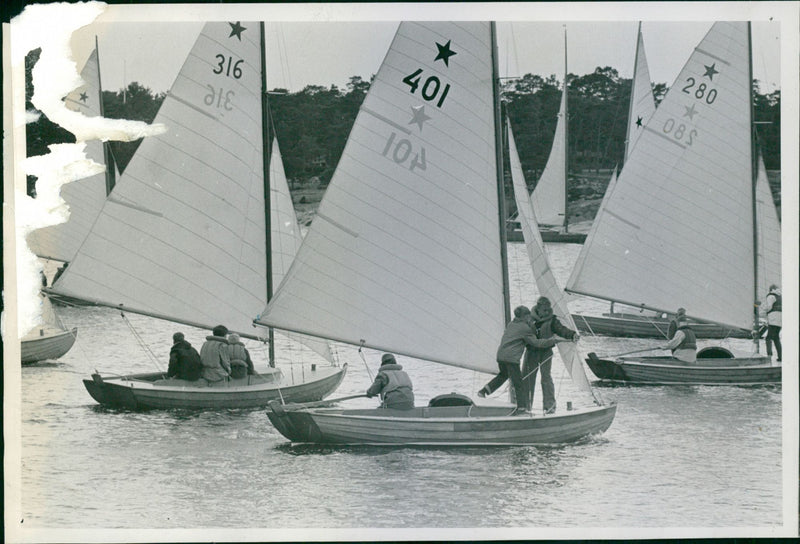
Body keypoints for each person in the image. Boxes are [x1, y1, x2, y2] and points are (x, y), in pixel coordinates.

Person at [479, 305, 556, 414]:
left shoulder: (511, 324)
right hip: (511, 359)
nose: (530, 318)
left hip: (500, 356)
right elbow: (536, 343)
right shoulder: (525, 328)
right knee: (519, 384)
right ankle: (522, 408)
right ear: (524, 316)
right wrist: (553, 341)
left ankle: (484, 391)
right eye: (528, 316)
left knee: (503, 375)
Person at [522, 296, 578, 414]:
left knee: (546, 378)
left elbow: (561, 329)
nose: (547, 312)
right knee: (527, 379)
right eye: (544, 310)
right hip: (531, 352)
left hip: (546, 352)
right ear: (538, 308)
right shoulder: (528, 319)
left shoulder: (552, 320)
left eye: (548, 309)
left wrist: (572, 334)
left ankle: (550, 406)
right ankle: (524, 406)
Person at [764, 284, 782, 362]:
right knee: (776, 338)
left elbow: (769, 307)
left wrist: (761, 311)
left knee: (768, 338)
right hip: (780, 320)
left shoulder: (771, 296)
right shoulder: (780, 297)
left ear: (771, 290)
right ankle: (781, 357)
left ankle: (769, 356)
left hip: (773, 318)